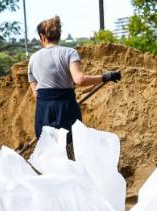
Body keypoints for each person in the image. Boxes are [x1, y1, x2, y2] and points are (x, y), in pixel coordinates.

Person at [28, 16, 120, 144]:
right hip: (66, 107)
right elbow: (80, 80)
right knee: (70, 147)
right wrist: (106, 77)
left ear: (42, 36)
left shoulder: (33, 58)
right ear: (59, 35)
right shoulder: (69, 53)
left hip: (44, 110)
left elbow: (36, 94)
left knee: (48, 150)